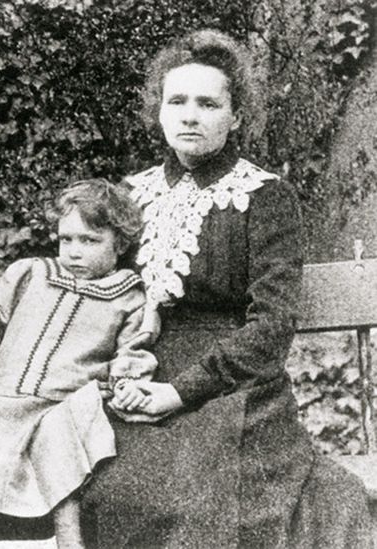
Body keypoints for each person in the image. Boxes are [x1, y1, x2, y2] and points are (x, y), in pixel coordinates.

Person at [79, 29, 373, 548]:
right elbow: (96, 293)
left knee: (191, 499)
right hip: (136, 374)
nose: (190, 115)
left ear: (236, 116)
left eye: (209, 103)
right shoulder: (130, 195)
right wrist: (118, 363)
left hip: (231, 385)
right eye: (177, 101)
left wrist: (179, 392)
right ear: (160, 112)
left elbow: (272, 324)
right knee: (111, 486)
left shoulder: (264, 197)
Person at [0, 179, 160, 548]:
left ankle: (70, 541)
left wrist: (127, 381)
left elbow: (134, 349)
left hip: (68, 402)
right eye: (67, 239)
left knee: (61, 435)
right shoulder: (31, 273)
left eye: (89, 241)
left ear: (121, 244)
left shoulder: (129, 297)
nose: (74, 252)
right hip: (5, 398)